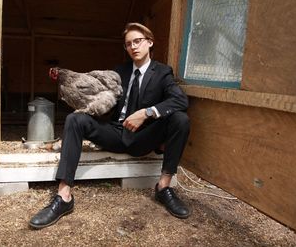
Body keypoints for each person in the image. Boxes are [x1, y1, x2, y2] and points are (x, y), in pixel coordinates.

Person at [29, 22, 191, 229]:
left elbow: (180, 101)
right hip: (113, 132)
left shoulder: (162, 72)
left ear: (149, 42)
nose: (133, 47)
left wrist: (146, 113)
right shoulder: (119, 71)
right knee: (75, 119)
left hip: (143, 137)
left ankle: (164, 187)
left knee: (180, 119)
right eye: (128, 44)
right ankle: (64, 196)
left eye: (138, 41)